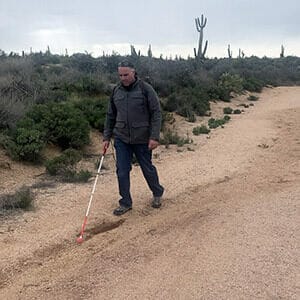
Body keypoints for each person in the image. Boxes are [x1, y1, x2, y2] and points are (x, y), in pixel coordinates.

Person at [103, 60, 164, 216]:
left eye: (126, 74)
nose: (123, 78)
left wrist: (154, 136)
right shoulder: (116, 91)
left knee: (147, 168)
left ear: (133, 72)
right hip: (122, 138)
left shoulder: (145, 89)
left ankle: (157, 192)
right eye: (120, 75)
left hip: (142, 138)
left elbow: (156, 113)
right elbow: (110, 115)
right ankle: (125, 202)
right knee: (122, 171)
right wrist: (106, 137)